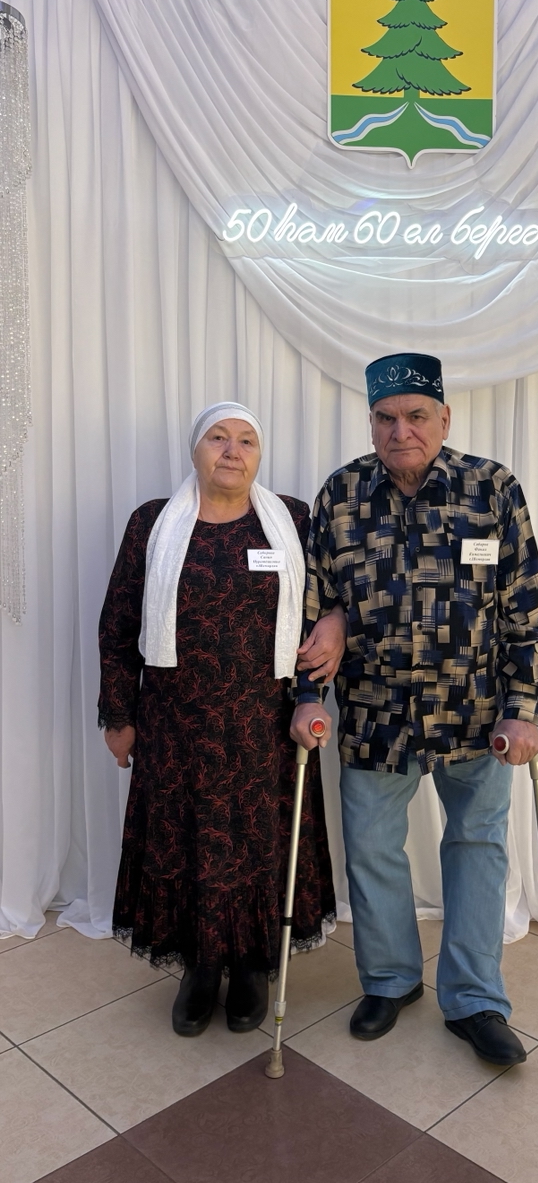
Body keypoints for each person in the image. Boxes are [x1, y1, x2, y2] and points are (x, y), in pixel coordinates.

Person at [292, 354, 538, 1067]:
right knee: (373, 848)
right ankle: (390, 981)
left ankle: (474, 1000)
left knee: (477, 848)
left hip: (476, 714)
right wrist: (309, 697)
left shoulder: (492, 488)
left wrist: (523, 709)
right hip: (375, 712)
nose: (400, 430)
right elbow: (315, 608)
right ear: (371, 422)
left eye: (415, 416)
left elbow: (525, 611)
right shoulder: (341, 494)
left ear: (444, 419)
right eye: (386, 417)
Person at [99, 402, 345, 1037]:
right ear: (195, 450)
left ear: (259, 456)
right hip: (175, 726)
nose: (232, 450)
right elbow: (119, 624)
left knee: (258, 845)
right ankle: (200, 968)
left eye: (246, 441)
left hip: (266, 724)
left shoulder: (292, 520)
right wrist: (117, 717)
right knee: (188, 844)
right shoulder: (152, 522)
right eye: (218, 438)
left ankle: (252, 966)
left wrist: (327, 654)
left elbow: (323, 611)